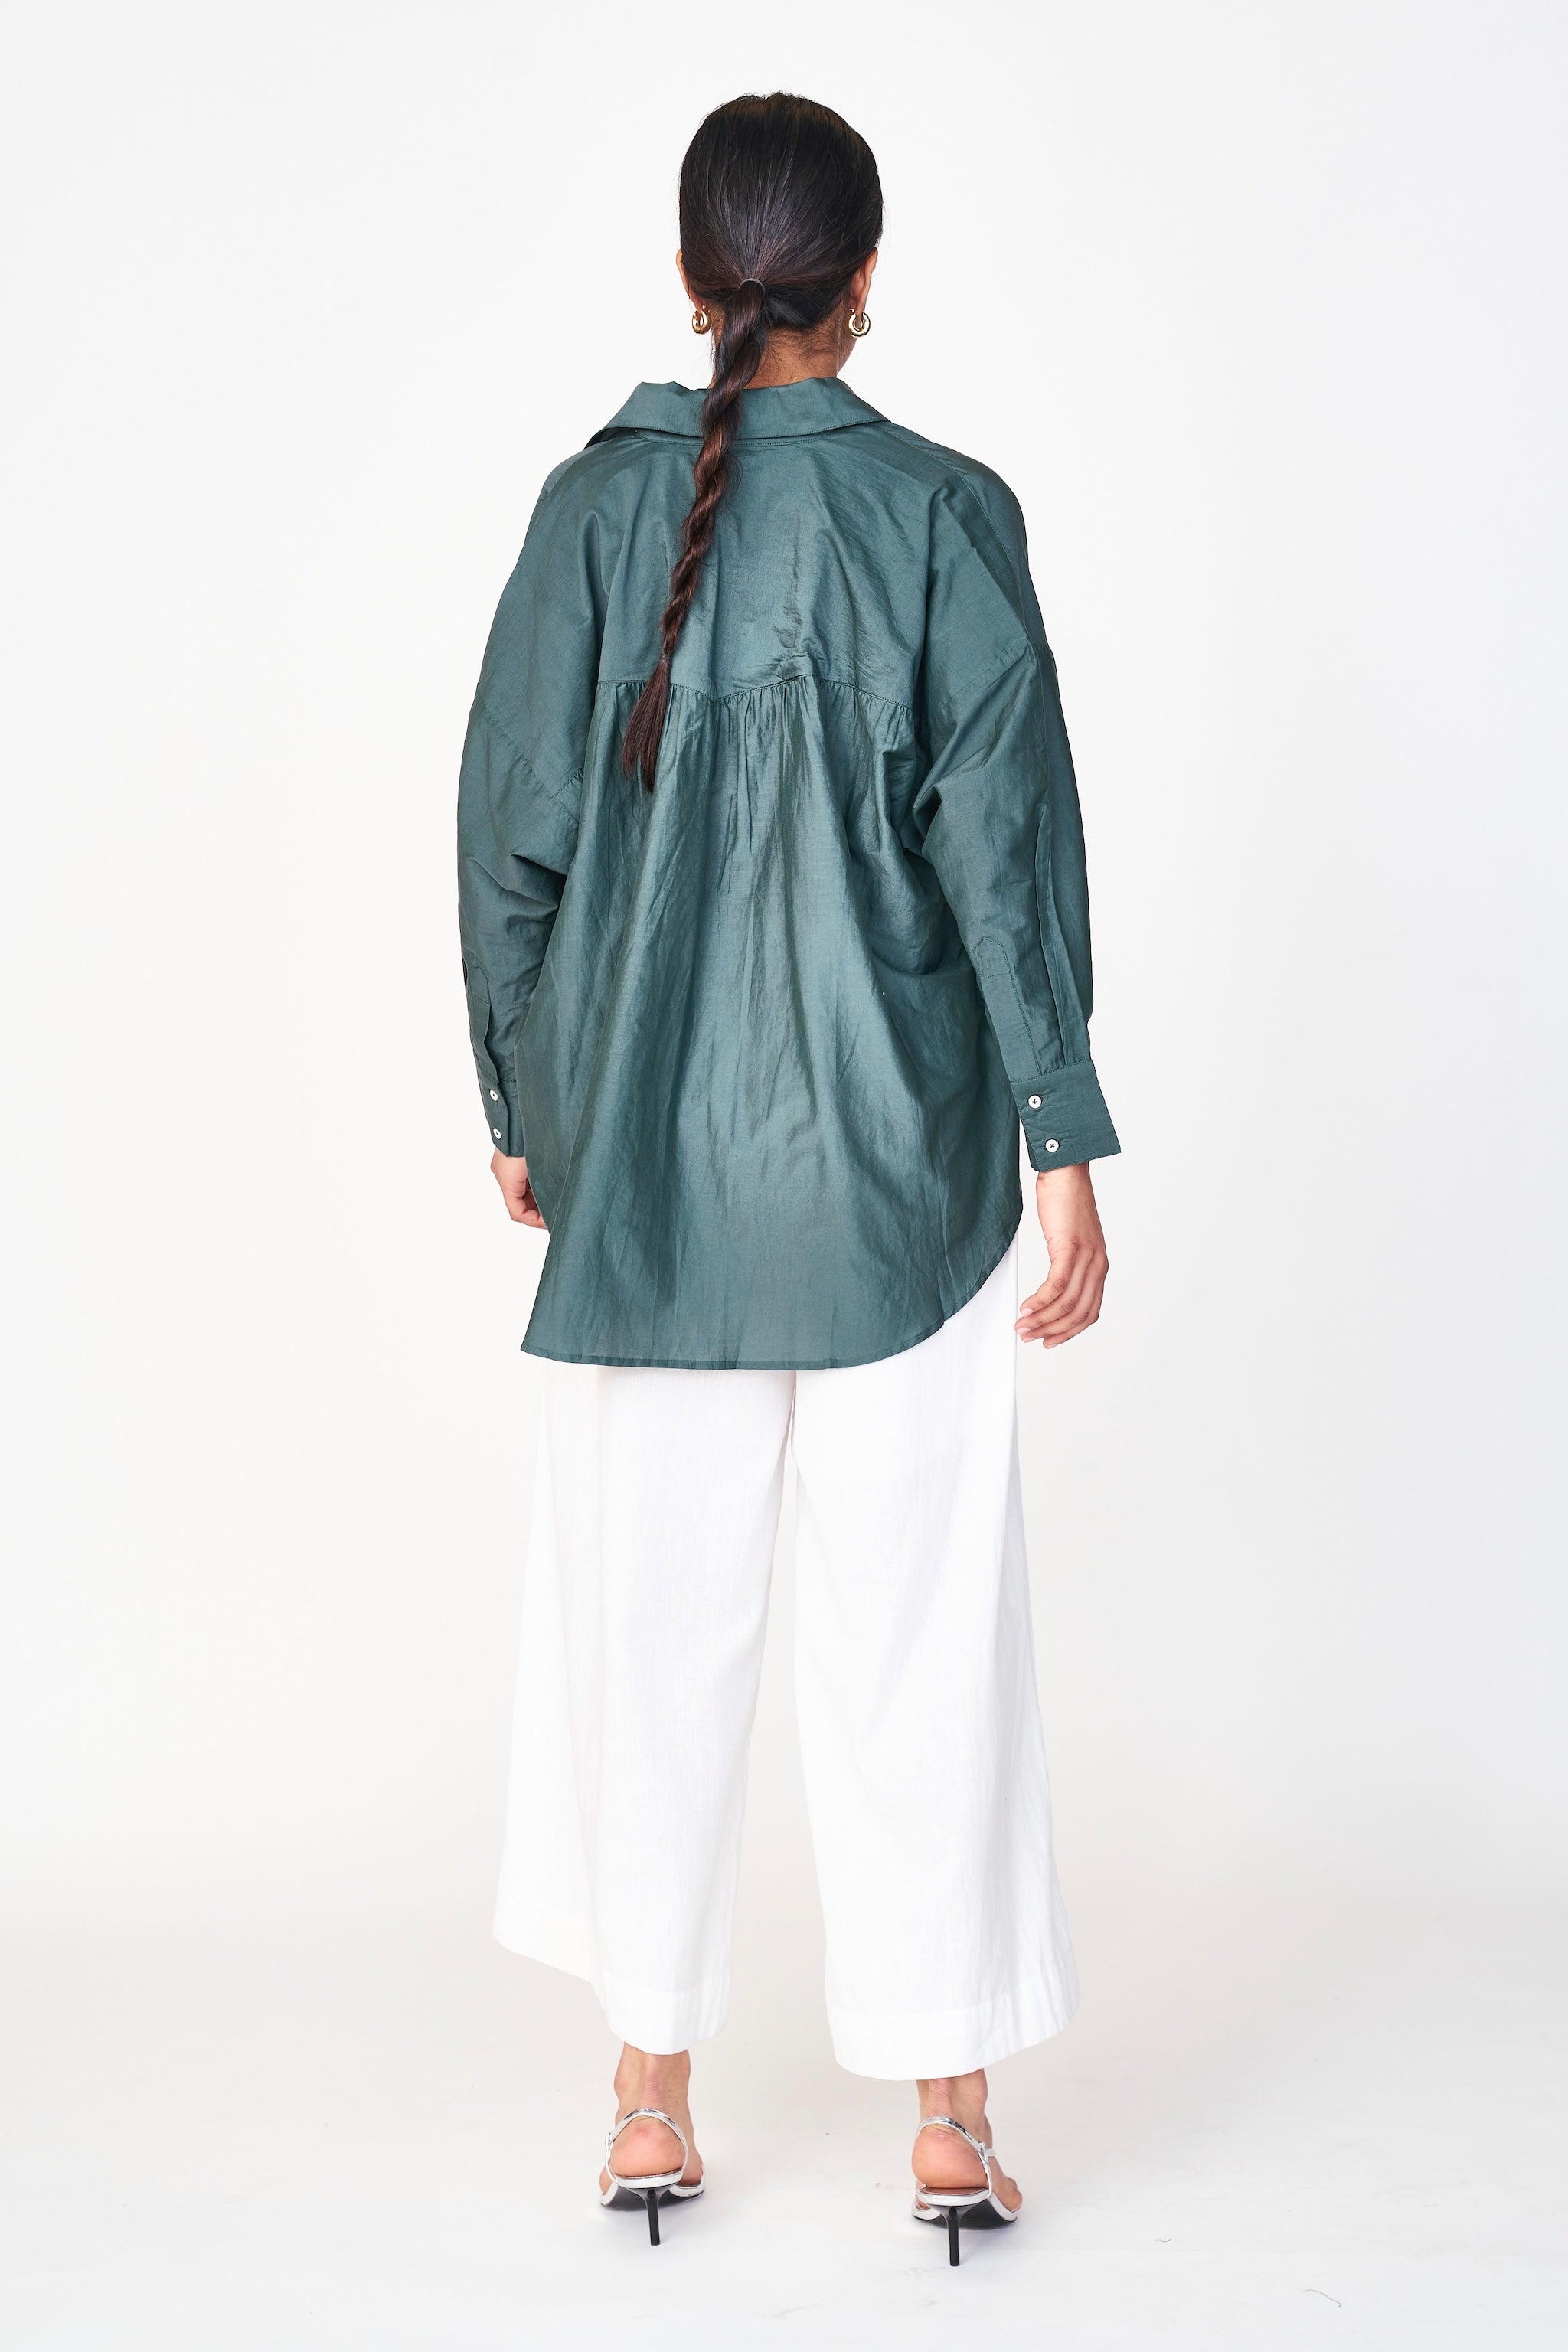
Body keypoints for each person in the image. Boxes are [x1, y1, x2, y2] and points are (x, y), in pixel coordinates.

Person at [456, 91, 1118, 2263]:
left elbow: (508, 837)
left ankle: (647, 2100)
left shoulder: (589, 511)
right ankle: (949, 2119)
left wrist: (525, 1103)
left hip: (643, 1191)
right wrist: (1058, 1136)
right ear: (866, 275)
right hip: (901, 1185)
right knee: (924, 1643)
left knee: (645, 1642)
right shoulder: (943, 514)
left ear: (689, 279)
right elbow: (1008, 858)